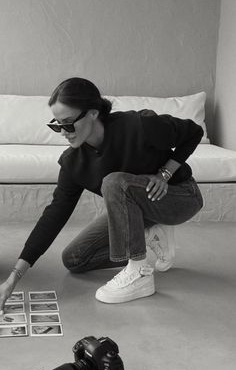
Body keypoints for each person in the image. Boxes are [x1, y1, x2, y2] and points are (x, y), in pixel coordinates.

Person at [0, 77, 204, 309]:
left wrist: (165, 173)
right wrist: (12, 278)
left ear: (93, 113)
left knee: (114, 182)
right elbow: (54, 215)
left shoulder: (139, 125)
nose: (63, 132)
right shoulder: (73, 162)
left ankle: (139, 274)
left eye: (68, 123)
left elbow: (194, 132)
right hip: (137, 208)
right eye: (57, 125)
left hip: (180, 197)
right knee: (74, 258)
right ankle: (147, 236)